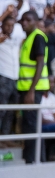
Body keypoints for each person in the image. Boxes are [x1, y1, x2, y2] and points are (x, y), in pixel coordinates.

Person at [17, 10, 50, 164]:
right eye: (22, 20)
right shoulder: (28, 38)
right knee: (29, 126)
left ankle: (34, 161)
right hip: (26, 88)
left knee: (32, 128)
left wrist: (31, 91)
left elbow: (40, 63)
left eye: (27, 20)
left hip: (32, 90)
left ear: (36, 22)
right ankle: (34, 159)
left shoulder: (37, 37)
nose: (24, 23)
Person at [0, 8, 24, 136]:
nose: (10, 28)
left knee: (10, 111)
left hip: (16, 79)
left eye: (12, 26)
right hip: (3, 77)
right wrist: (5, 14)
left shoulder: (16, 40)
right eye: (7, 25)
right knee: (1, 110)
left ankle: (5, 136)